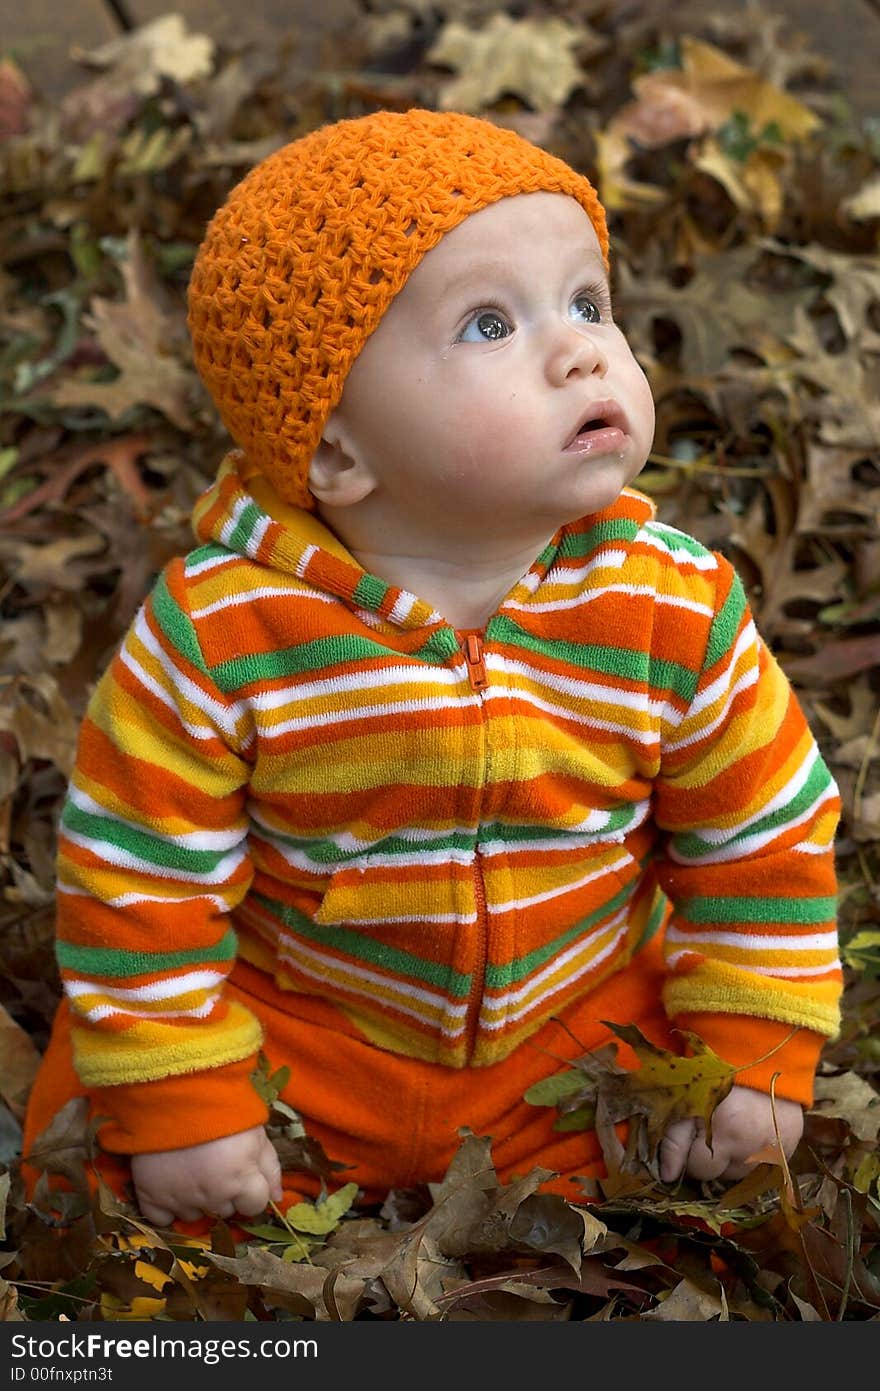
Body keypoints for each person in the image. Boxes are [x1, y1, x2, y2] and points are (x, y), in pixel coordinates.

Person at [22, 109, 842, 1228]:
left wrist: (754, 1042)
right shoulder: (222, 632)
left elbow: (761, 833)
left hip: (571, 1017)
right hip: (314, 1021)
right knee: (101, 1150)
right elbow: (141, 874)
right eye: (491, 322)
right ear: (335, 448)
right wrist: (185, 1094)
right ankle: (196, 1125)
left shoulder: (669, 603)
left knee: (708, 1131)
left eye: (588, 302)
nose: (581, 349)